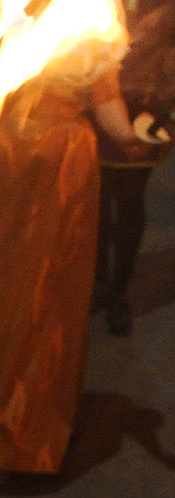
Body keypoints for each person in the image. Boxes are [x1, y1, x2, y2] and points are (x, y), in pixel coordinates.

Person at [0, 0, 142, 484]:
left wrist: (134, 139)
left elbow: (104, 95)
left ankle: (13, 441)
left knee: (36, 296)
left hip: (60, 165)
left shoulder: (95, 10)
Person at [94, 0, 174, 335]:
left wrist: (167, 111)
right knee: (95, 199)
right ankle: (96, 283)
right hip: (93, 102)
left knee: (128, 201)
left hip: (146, 105)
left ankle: (118, 292)